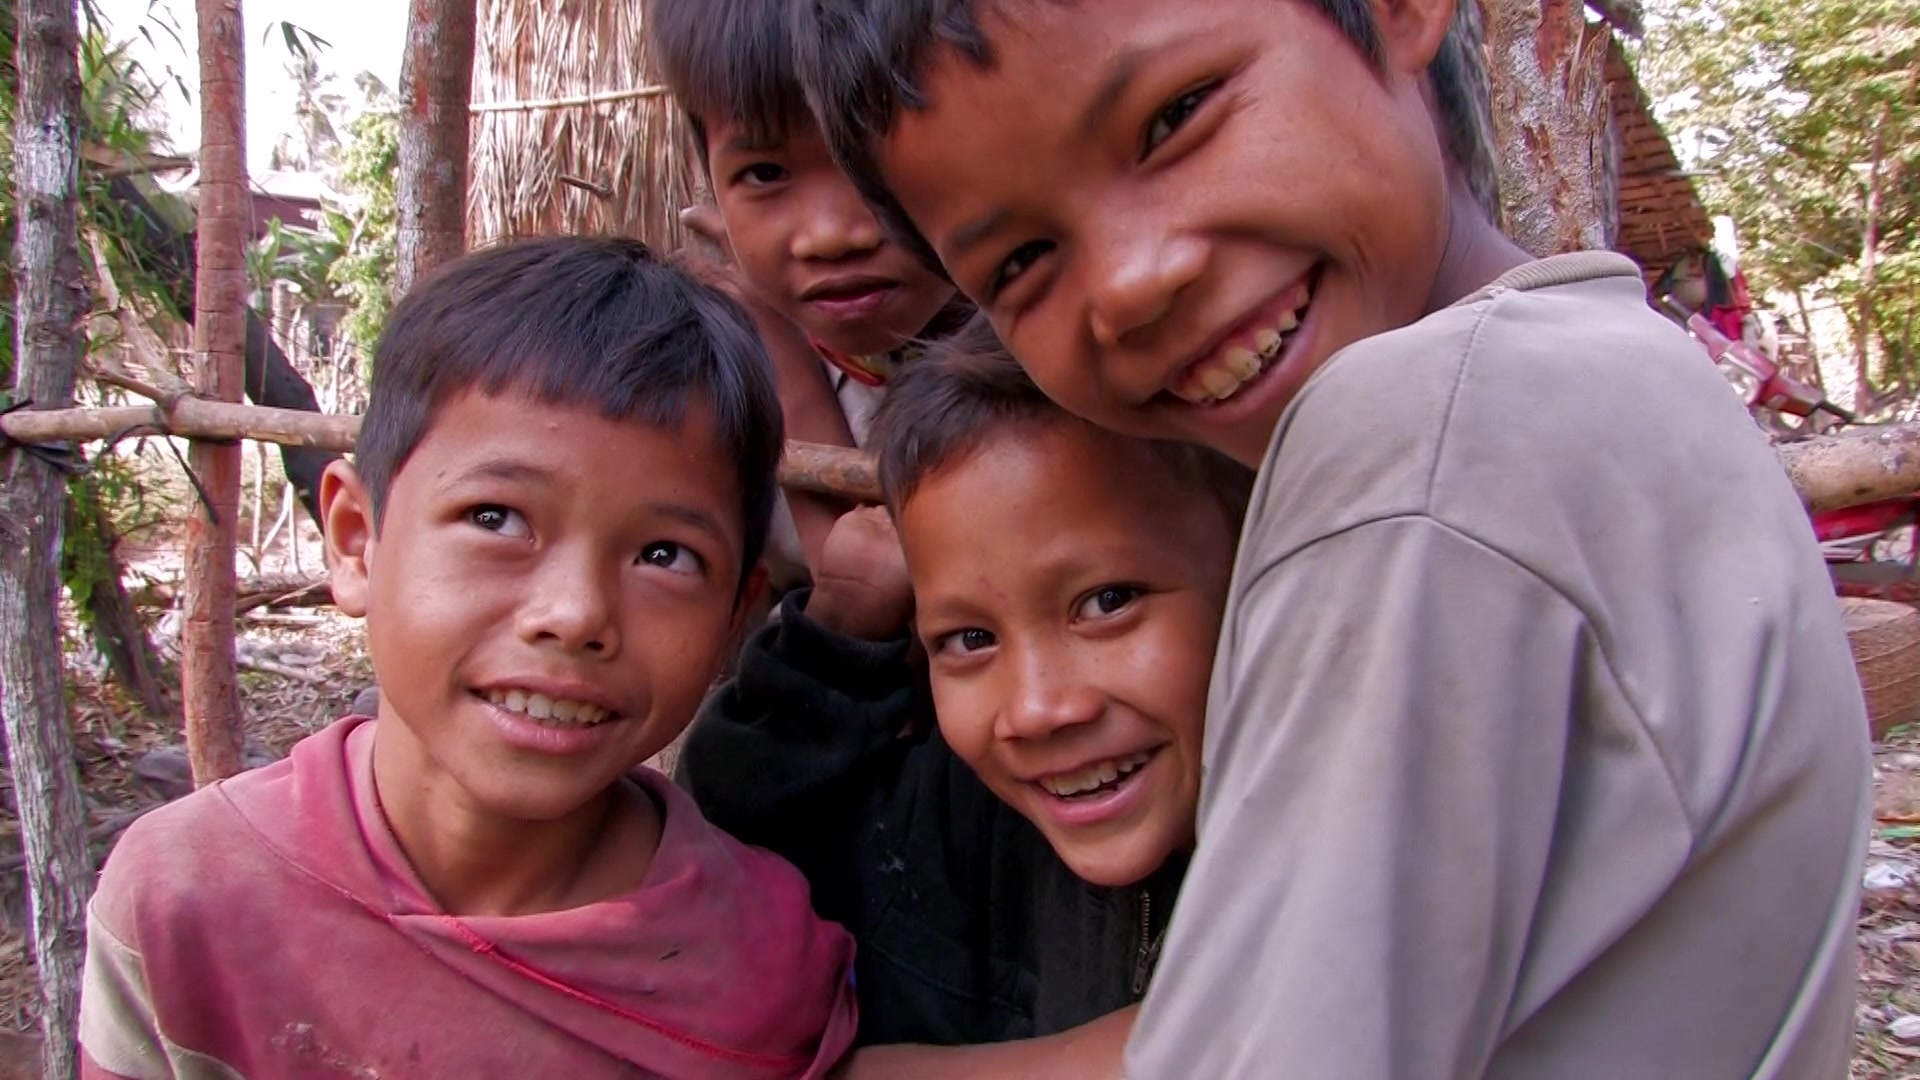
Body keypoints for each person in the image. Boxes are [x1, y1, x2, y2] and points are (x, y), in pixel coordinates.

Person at [787, 1, 1874, 1076]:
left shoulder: (1417, 447)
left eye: (1176, 118)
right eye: (1022, 260)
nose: (1129, 283)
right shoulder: (1616, 372)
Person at [77, 237, 858, 1079]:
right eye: (496, 518)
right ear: (356, 539)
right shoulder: (184, 896)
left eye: (665, 556)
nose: (576, 615)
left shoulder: (767, 971)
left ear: (734, 617)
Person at [677, 319, 1251, 1074]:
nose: (1039, 709)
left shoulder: (1344, 859)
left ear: (1258, 570)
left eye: (1109, 601)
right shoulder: (939, 822)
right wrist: (843, 625)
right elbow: (721, 836)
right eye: (970, 639)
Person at [645, 0, 966, 599]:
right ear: (711, 180)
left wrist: (793, 382)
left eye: (871, 157)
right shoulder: (699, 386)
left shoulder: (1064, 362)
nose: (831, 235)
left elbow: (901, 606)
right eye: (765, 173)